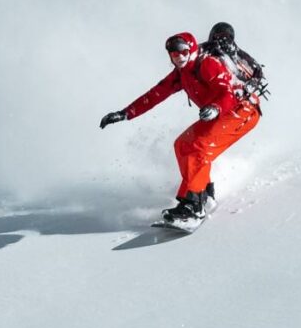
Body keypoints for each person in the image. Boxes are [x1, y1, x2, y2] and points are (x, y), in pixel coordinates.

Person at [99, 29, 263, 225]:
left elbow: (227, 93)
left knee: (198, 147)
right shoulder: (181, 73)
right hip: (221, 113)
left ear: (191, 49)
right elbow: (155, 94)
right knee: (183, 145)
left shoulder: (207, 64)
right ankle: (204, 195)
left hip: (242, 111)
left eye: (183, 52)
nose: (179, 58)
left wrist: (215, 107)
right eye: (175, 54)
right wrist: (125, 113)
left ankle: (194, 206)